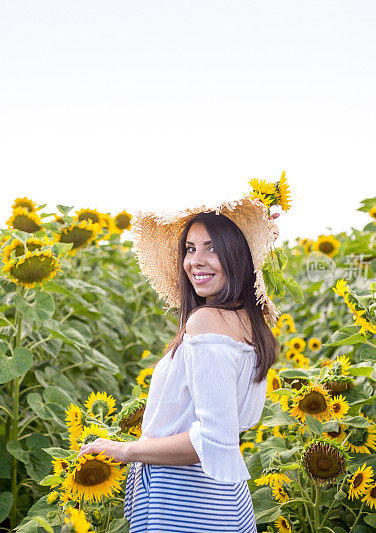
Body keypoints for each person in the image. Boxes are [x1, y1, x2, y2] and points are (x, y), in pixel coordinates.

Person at [77, 193, 282, 532]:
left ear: (239, 256)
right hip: (222, 499)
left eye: (212, 248)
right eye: (190, 248)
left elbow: (212, 441)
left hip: (187, 501)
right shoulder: (251, 324)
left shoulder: (207, 323)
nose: (195, 261)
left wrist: (125, 450)